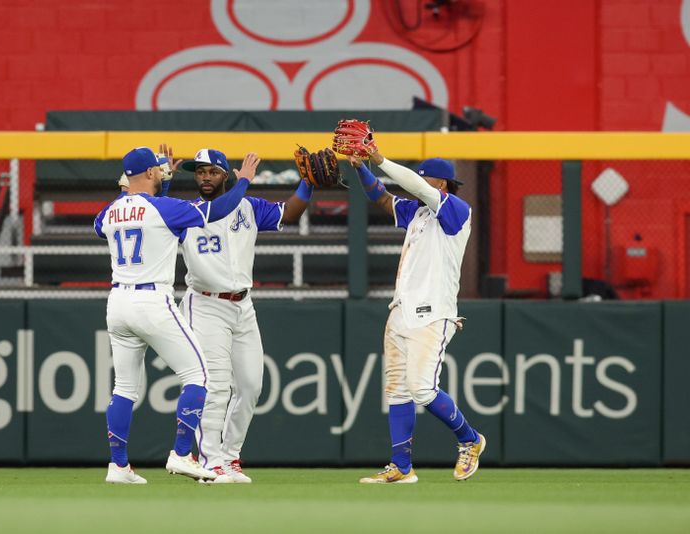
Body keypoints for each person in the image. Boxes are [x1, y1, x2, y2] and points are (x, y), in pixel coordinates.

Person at [94, 144, 258, 484]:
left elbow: (128, 220)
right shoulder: (164, 208)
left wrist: (159, 187)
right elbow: (219, 209)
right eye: (158, 169)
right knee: (200, 377)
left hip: (117, 303)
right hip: (152, 302)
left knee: (123, 388)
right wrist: (243, 181)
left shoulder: (108, 212)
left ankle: (119, 466)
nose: (163, 171)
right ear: (151, 173)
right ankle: (182, 454)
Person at [347, 149, 485, 484]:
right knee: (397, 391)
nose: (419, 184)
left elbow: (414, 186)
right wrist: (363, 168)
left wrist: (379, 159)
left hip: (433, 313)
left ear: (442, 184)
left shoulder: (456, 210)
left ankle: (470, 439)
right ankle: (401, 468)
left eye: (426, 179)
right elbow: (382, 198)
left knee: (423, 389)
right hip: (400, 311)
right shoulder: (419, 213)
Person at [176, 148, 314, 483]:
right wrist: (245, 180)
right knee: (217, 386)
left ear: (226, 175)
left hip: (242, 306)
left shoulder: (249, 207)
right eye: (199, 172)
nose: (204, 178)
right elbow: (206, 209)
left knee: (251, 385)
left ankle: (230, 456)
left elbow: (290, 214)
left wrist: (308, 183)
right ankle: (210, 462)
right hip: (205, 305)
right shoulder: (186, 212)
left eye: (211, 172)